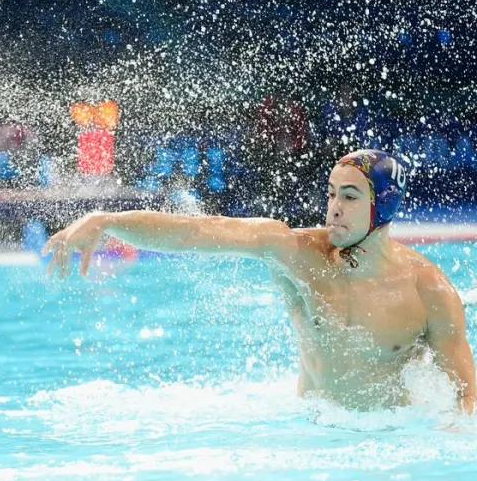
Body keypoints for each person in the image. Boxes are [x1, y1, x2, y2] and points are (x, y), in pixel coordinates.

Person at [44, 149, 476, 414]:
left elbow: (466, 399)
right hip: (313, 429)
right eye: (331, 193)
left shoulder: (428, 291)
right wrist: (107, 221)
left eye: (349, 197)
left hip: (390, 438)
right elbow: (196, 232)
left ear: (383, 206)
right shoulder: (295, 252)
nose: (333, 208)